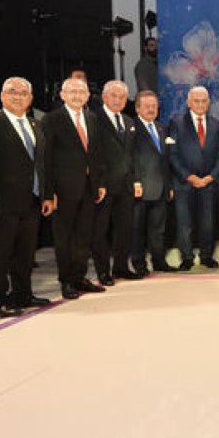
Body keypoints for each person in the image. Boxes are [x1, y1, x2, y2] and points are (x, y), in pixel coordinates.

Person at [0, 77, 50, 318]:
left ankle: (23, 294)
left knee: (25, 254)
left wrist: (47, 195)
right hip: (0, 204)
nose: (18, 96)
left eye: (23, 93)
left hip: (31, 202)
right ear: (2, 96)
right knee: (0, 255)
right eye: (12, 92)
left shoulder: (36, 125)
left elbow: (42, 165)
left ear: (31, 98)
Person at [42, 78, 108, 300]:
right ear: (62, 95)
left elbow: (97, 154)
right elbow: (46, 159)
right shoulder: (52, 120)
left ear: (88, 96)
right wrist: (49, 192)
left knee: (83, 237)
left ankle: (79, 277)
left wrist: (100, 183)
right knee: (64, 238)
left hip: (89, 188)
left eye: (82, 91)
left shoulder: (91, 118)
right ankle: (67, 281)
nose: (77, 95)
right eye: (72, 91)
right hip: (62, 190)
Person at [168, 86, 219, 271]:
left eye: (203, 101)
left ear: (208, 103)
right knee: (184, 223)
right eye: (196, 101)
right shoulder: (177, 122)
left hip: (208, 183)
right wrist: (189, 176)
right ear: (188, 102)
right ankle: (186, 258)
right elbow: (172, 154)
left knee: (208, 223)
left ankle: (207, 256)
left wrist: (211, 176)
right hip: (184, 183)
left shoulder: (217, 125)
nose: (200, 104)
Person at [92, 80, 140, 285]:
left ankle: (121, 267)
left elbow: (132, 155)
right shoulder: (94, 119)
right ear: (104, 97)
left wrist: (135, 180)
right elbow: (93, 155)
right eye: (114, 96)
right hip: (104, 187)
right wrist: (98, 183)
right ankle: (103, 271)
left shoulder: (129, 121)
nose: (118, 100)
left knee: (124, 230)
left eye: (122, 97)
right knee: (100, 231)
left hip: (126, 186)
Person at [129, 91, 175, 275]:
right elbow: (130, 158)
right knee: (138, 230)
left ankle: (159, 261)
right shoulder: (131, 128)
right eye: (147, 106)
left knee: (158, 230)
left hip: (161, 188)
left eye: (154, 106)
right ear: (137, 108)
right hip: (141, 188)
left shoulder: (162, 128)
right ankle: (139, 264)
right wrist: (135, 182)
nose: (151, 109)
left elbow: (165, 161)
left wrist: (169, 186)